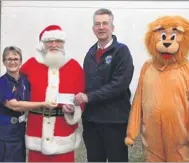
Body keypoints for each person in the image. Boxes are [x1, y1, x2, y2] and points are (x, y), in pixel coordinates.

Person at [0, 25, 85, 162]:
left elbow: (81, 96)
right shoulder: (31, 64)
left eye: (58, 41)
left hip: (63, 131)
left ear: (63, 43)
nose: (54, 45)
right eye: (49, 41)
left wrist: (74, 109)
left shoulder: (75, 67)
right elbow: (12, 79)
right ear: (42, 44)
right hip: (36, 130)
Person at [125, 15, 189, 162]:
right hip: (151, 139)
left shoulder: (188, 69)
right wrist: (131, 133)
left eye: (173, 37)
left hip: (180, 141)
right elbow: (138, 101)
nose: (167, 42)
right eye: (163, 36)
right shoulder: (147, 67)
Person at [74, 8, 134, 162]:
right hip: (92, 122)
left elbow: (119, 85)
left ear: (112, 27)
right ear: (93, 29)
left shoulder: (121, 51)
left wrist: (89, 97)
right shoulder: (90, 53)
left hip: (115, 122)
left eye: (105, 23)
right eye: (97, 24)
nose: (101, 27)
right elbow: (84, 83)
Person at [0, 46, 57, 162]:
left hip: (19, 131)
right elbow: (14, 105)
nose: (12, 62)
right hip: (3, 133)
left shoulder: (25, 81)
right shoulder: (0, 83)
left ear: (20, 61)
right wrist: (44, 104)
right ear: (3, 62)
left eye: (16, 59)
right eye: (9, 59)